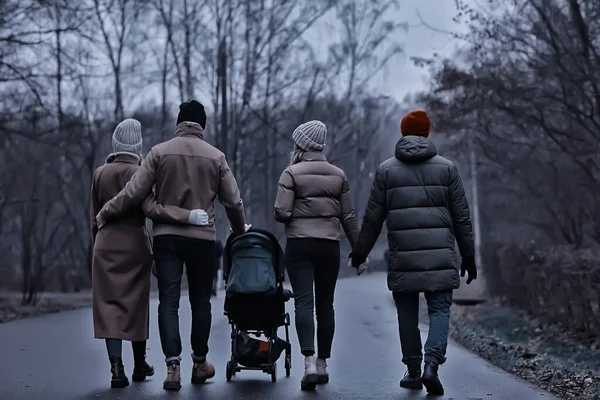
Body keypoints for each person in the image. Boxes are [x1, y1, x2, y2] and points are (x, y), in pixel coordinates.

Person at [96, 100, 250, 391]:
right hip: (203, 239)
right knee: (201, 301)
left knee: (169, 302)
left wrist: (106, 211)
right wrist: (240, 229)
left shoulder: (158, 152)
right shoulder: (216, 157)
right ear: (202, 125)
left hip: (167, 239)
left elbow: (133, 193)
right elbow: (233, 200)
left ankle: (172, 367)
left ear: (179, 123)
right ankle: (200, 362)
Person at [350, 110, 477, 396]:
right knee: (440, 310)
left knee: (406, 312)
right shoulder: (447, 169)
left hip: (403, 256)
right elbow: (462, 217)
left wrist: (360, 252)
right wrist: (468, 256)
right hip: (440, 256)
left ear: (403, 132)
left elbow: (373, 218)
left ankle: (413, 370)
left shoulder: (386, 171)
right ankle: (433, 364)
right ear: (427, 133)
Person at [91, 118, 194, 388]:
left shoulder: (100, 173)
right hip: (134, 244)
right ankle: (139, 364)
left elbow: (94, 215)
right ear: (138, 145)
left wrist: (97, 243)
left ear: (115, 143)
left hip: (105, 244)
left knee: (108, 306)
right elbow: (150, 208)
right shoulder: (141, 172)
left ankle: (116, 367)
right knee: (136, 305)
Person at [273, 120, 366, 391]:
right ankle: (324, 364)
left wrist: (293, 212)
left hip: (299, 244)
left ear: (300, 144)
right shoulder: (338, 175)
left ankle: (309, 363)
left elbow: (280, 212)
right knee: (326, 304)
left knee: (304, 302)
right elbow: (348, 217)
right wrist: (359, 252)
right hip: (329, 245)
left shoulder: (291, 173)